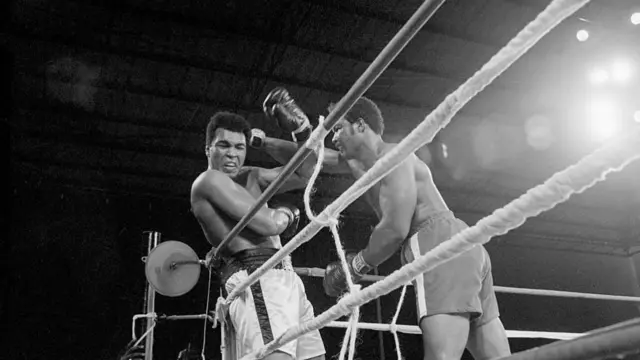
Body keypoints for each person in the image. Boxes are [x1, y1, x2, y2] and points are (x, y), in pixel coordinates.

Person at [260, 90, 511, 360]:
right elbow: (312, 160)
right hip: (464, 245)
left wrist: (354, 267)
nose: (332, 137)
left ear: (360, 125)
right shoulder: (358, 163)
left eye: (338, 128)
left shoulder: (394, 158)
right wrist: (263, 141)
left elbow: (394, 229)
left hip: (437, 243)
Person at [190, 110, 326, 360]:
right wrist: (288, 212)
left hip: (284, 275)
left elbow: (306, 172)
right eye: (223, 145)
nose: (233, 154)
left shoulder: (250, 175)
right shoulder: (208, 181)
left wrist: (301, 133)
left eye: (240, 147)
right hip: (258, 276)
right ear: (208, 149)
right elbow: (267, 225)